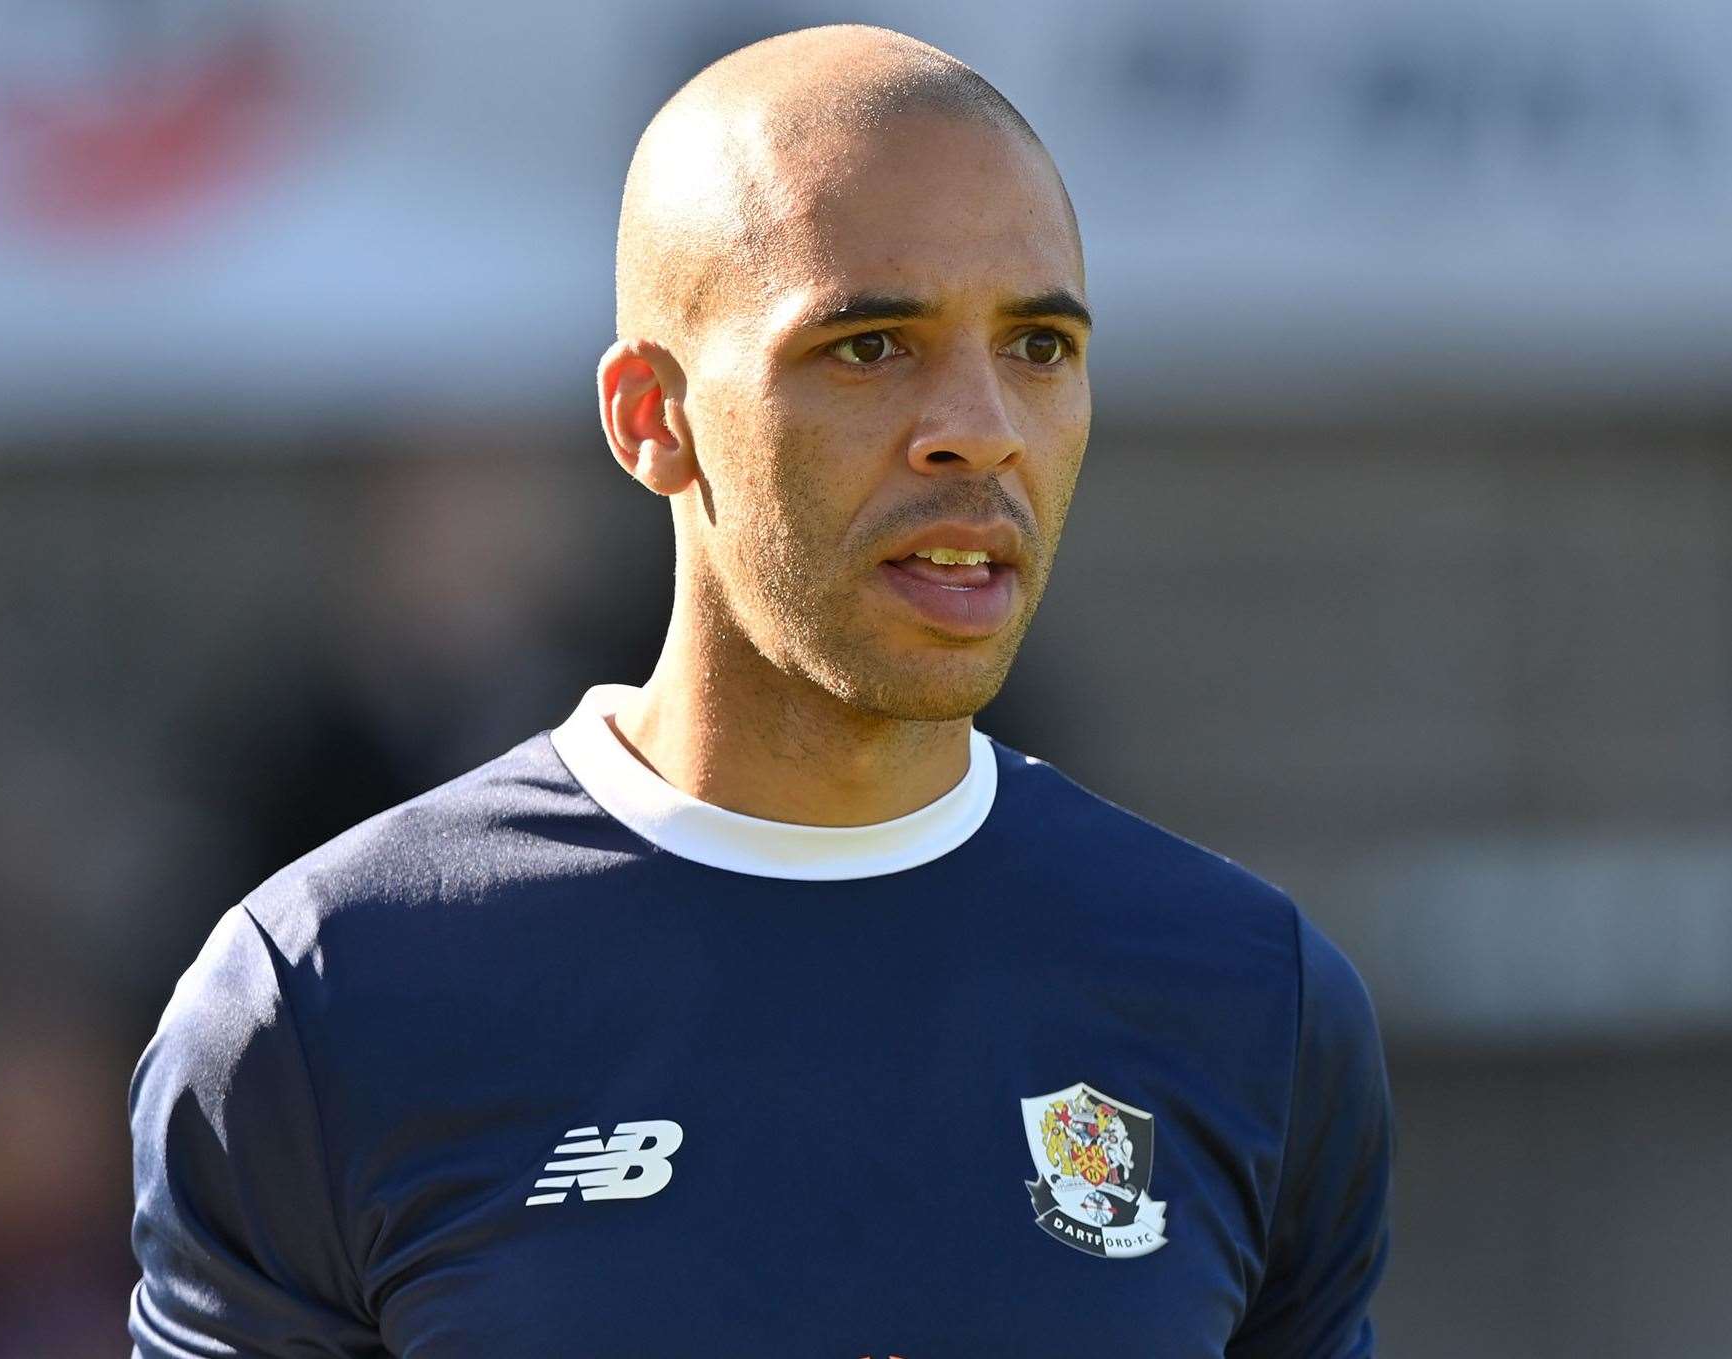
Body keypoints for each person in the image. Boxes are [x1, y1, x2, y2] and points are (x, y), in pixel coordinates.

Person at [128, 25, 1390, 1358]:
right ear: (648, 418)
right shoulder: (321, 996)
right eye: (868, 346)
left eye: (1035, 346)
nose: (980, 426)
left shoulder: (1252, 998)